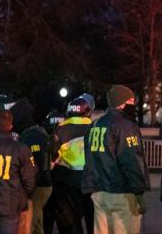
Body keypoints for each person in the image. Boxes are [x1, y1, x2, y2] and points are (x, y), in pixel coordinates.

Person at [81, 85, 148, 234]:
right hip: (121, 192)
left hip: (99, 193)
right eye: (131, 101)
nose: (133, 104)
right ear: (122, 102)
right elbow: (131, 161)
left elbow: (89, 159)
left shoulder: (94, 125)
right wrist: (139, 191)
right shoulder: (125, 125)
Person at [51, 96, 94, 234]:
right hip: (92, 180)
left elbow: (53, 157)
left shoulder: (61, 129)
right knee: (92, 218)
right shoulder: (95, 127)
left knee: (73, 220)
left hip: (69, 181)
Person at [11, 98, 53, 234]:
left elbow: (35, 166)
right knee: (36, 223)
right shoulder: (36, 133)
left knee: (26, 226)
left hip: (37, 186)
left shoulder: (31, 136)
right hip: (41, 184)